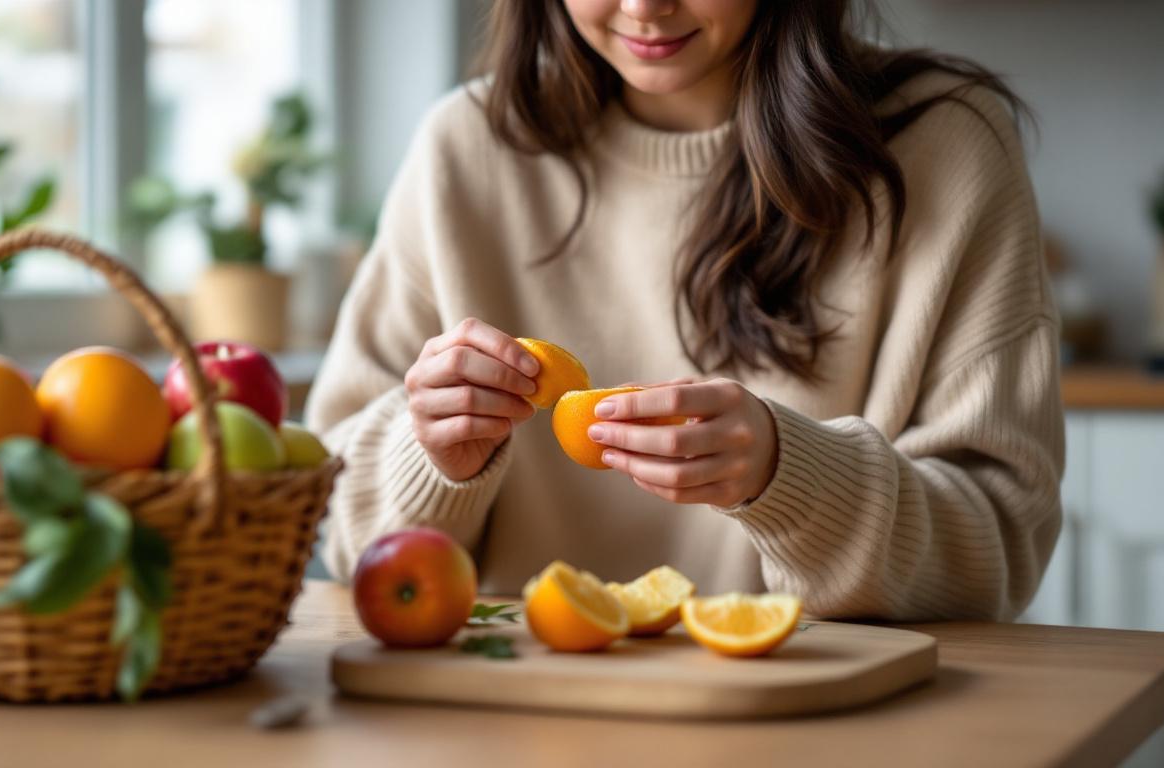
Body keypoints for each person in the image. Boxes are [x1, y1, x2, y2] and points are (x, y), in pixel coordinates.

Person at [306, 0, 1063, 621]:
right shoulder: (463, 149)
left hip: (818, 725)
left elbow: (999, 547)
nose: (644, 7)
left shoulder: (945, 147)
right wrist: (431, 455)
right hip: (507, 714)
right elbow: (337, 525)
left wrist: (788, 476)